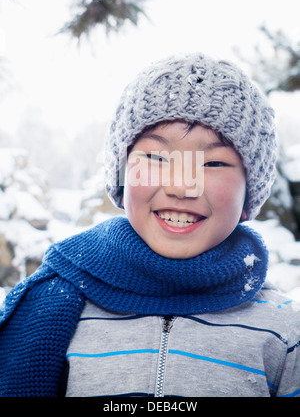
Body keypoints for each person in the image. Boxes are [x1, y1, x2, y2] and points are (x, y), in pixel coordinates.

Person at [0, 53, 299, 397]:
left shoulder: (285, 333)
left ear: (250, 191)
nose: (180, 186)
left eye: (213, 162)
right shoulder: (54, 306)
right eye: (156, 158)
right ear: (121, 174)